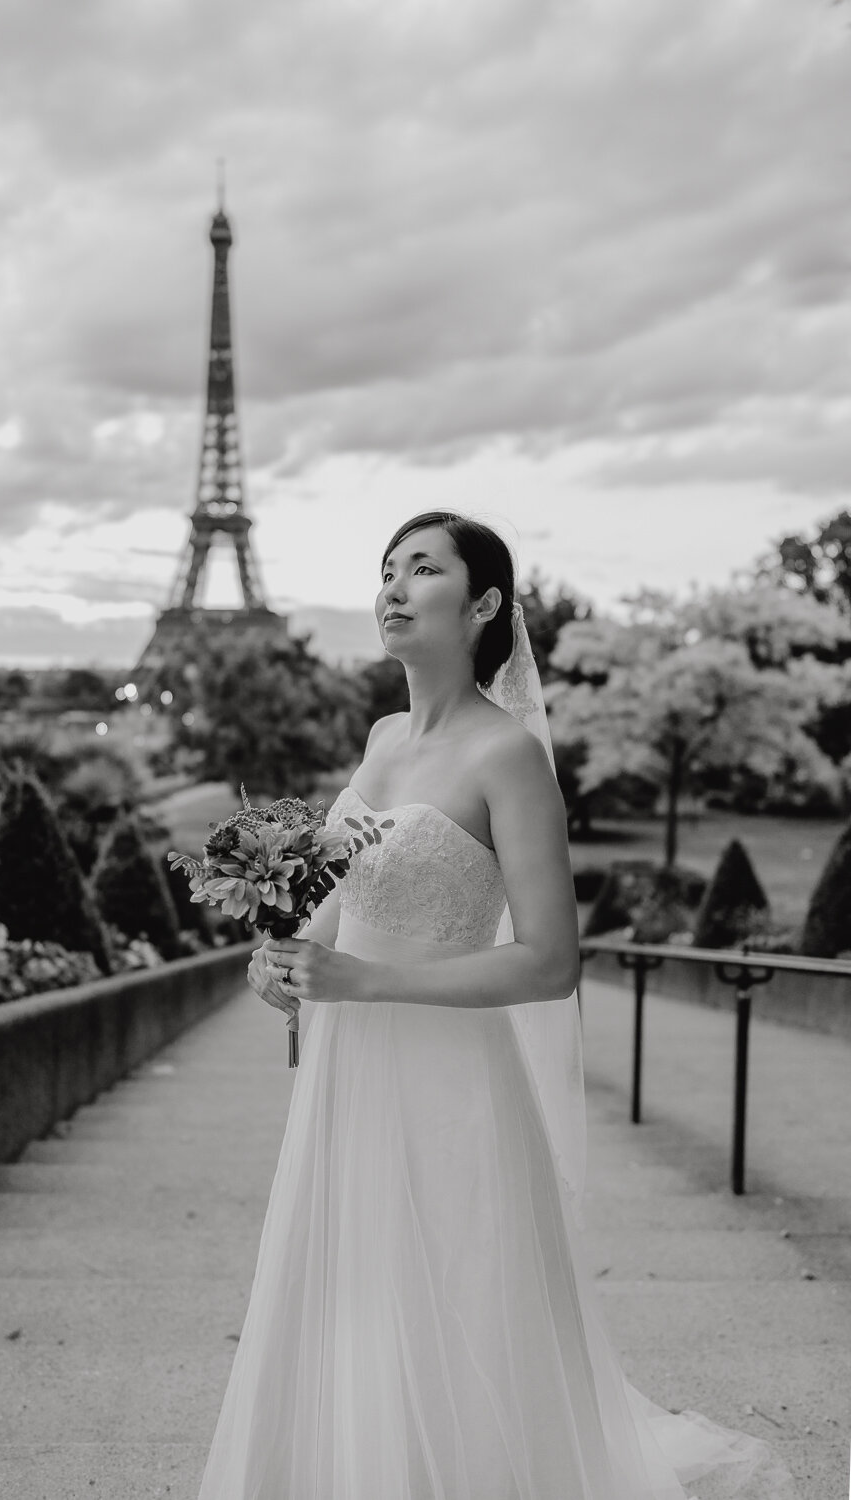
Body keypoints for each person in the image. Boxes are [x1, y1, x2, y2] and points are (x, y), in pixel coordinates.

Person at [195, 511, 799, 1499]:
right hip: (349, 1076)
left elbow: (550, 960)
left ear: (481, 606)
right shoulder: (382, 734)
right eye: (385, 568)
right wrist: (285, 961)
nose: (393, 587)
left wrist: (369, 981)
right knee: (354, 1300)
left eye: (423, 569)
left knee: (454, 1308)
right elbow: (348, 895)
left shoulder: (505, 754)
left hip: (452, 1085)